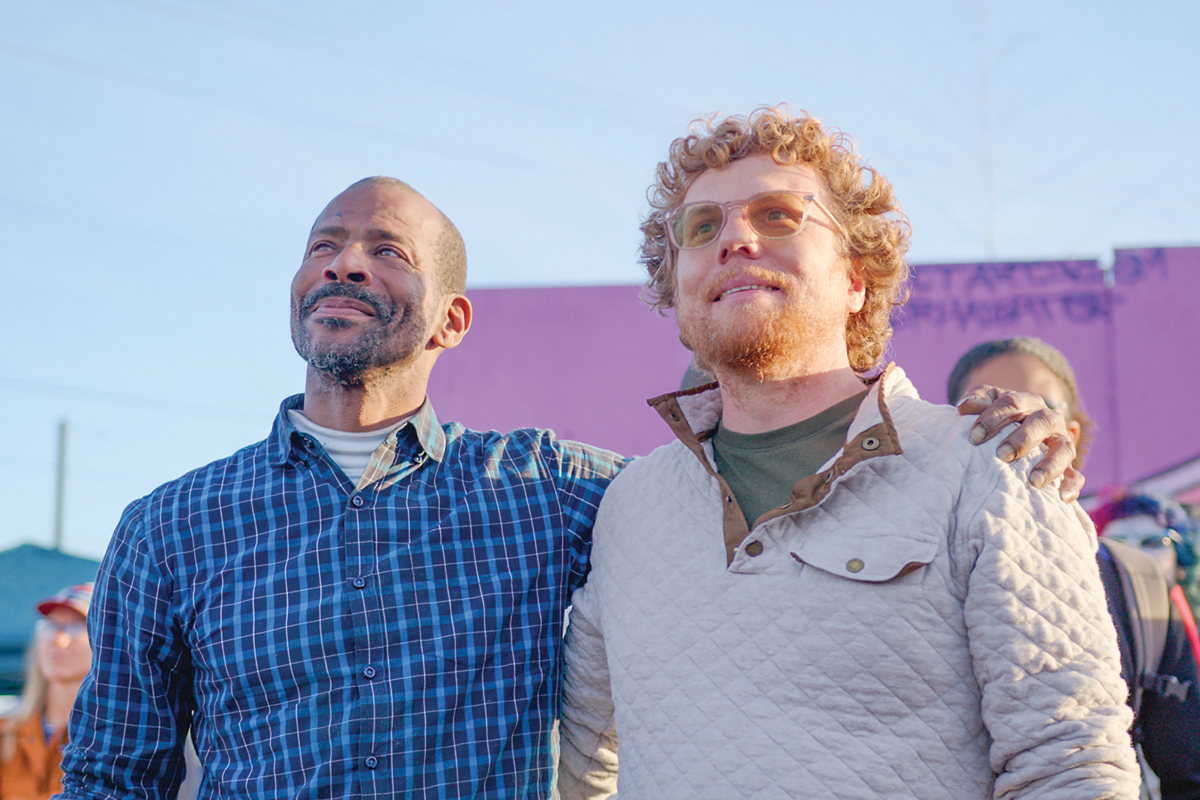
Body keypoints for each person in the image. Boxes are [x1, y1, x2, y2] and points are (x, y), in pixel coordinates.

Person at [60, 176, 1082, 800]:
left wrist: (989, 428)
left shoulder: (553, 489)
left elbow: (747, 465)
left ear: (452, 321)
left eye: (385, 252)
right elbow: (112, 777)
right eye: (324, 247)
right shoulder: (169, 527)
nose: (346, 265)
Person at [557, 109, 1139, 799]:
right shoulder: (629, 508)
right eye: (701, 226)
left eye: (777, 216)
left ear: (857, 278)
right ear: (677, 285)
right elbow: (578, 766)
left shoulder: (991, 467)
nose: (736, 238)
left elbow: (1070, 766)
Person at [949, 337, 1200, 799]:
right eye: (987, 405)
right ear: (950, 427)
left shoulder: (1138, 583)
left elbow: (1189, 772)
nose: (1014, 419)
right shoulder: (903, 568)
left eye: (1040, 406)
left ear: (1072, 432)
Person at [0, 584, 93, 800]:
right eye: (51, 625)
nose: (58, 640)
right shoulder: (6, 734)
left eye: (76, 627)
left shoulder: (114, 742)